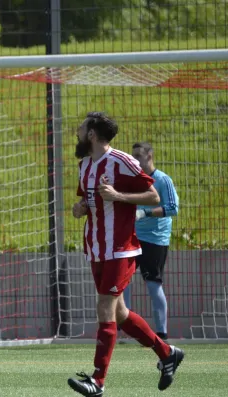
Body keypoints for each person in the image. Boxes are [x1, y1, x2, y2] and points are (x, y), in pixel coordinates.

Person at [67, 112, 184, 396]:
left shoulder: (121, 161)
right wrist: (80, 208)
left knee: (105, 307)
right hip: (96, 249)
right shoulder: (84, 166)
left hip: (120, 249)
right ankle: (167, 353)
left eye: (81, 128)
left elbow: (154, 197)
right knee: (119, 313)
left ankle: (98, 381)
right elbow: (86, 200)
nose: (77, 132)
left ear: (92, 133)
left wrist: (120, 196)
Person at [123, 142, 179, 341]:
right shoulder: (134, 180)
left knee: (153, 283)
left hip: (155, 240)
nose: (135, 159)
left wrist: (146, 212)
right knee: (123, 282)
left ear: (150, 155)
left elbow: (173, 208)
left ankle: (161, 333)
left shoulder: (163, 180)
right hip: (133, 238)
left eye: (139, 155)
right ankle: (125, 329)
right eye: (133, 155)